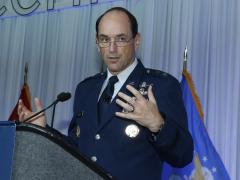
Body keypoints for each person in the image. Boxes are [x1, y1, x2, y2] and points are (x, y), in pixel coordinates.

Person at [18, 7, 193, 180]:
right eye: (104, 39)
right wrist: (43, 131)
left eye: (121, 39)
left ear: (136, 40)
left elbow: (183, 155)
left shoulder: (160, 86)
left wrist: (158, 125)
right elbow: (77, 150)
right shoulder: (86, 89)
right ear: (97, 42)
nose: (112, 49)